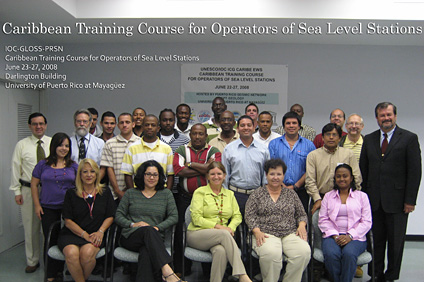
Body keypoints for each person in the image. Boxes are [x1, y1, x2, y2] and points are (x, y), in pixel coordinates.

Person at [360, 102, 421, 282]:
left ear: (395, 116)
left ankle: (391, 276)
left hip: (398, 202)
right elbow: (364, 170)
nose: (386, 118)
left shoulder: (409, 138)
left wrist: (410, 200)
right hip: (373, 201)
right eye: (382, 115)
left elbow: (415, 171)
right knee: (375, 242)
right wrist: (362, 199)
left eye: (389, 115)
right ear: (377, 118)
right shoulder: (369, 139)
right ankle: (375, 274)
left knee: (395, 243)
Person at [115, 160, 181, 282]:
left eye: (155, 175)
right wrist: (133, 224)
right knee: (147, 232)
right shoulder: (131, 193)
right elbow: (118, 215)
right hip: (131, 237)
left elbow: (174, 217)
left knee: (146, 251)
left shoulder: (166, 194)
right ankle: (168, 272)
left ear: (160, 176)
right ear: (142, 175)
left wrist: (157, 228)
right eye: (148, 174)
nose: (152, 177)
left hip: (154, 238)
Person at [245, 159, 310, 282]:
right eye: (272, 174)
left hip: (289, 233)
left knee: (303, 252)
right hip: (265, 233)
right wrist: (257, 231)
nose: (275, 177)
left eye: (279, 174)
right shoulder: (257, 194)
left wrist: (301, 226)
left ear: (283, 175)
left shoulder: (291, 194)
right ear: (266, 175)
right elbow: (249, 215)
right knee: (271, 254)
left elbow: (301, 214)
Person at [187, 161, 252, 282]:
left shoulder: (230, 194)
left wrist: (230, 228)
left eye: (219, 173)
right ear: (207, 176)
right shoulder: (200, 192)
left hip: (221, 237)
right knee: (224, 234)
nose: (216, 177)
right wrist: (220, 227)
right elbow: (196, 218)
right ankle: (242, 275)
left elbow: (237, 216)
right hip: (197, 234)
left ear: (224, 176)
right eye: (212, 174)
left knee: (220, 251)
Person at [173, 123, 221, 275]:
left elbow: (215, 170)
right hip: (185, 198)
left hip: (208, 199)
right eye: (194, 133)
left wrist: (191, 164)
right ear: (190, 135)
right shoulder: (182, 150)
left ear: (206, 136)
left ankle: (207, 270)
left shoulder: (213, 150)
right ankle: (182, 268)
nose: (198, 137)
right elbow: (179, 171)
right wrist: (204, 168)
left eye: (201, 134)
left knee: (208, 230)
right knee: (181, 231)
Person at [58, 158, 115, 282]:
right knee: (72, 253)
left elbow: (110, 216)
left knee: (87, 254)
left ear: (97, 174)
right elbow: (68, 221)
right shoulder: (71, 193)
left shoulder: (105, 192)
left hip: (96, 234)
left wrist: (101, 231)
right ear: (80, 175)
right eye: (85, 172)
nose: (89, 175)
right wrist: (84, 235)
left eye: (92, 171)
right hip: (73, 233)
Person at [31, 132, 79, 281]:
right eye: (60, 145)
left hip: (69, 209)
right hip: (48, 207)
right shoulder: (42, 164)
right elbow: (34, 184)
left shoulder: (73, 165)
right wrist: (37, 205)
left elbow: (80, 186)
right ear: (54, 146)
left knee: (66, 239)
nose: (63, 148)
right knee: (50, 239)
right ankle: (51, 274)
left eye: (66, 146)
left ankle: (64, 270)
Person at [9, 112, 51, 273]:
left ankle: (51, 261)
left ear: (46, 125)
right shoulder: (22, 144)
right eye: (35, 124)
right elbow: (15, 168)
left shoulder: (52, 142)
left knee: (48, 227)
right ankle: (32, 260)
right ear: (29, 126)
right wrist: (16, 191)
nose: (38, 127)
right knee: (30, 226)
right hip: (27, 190)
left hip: (49, 190)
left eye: (41, 123)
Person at [319, 164, 372, 282]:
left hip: (356, 237)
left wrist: (350, 236)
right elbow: (323, 219)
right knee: (331, 255)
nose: (342, 179)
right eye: (338, 176)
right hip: (332, 236)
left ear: (351, 178)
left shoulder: (362, 196)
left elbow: (367, 221)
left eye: (345, 176)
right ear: (335, 179)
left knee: (349, 254)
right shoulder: (328, 196)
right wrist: (335, 235)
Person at [306, 123, 362, 216]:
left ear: (340, 138)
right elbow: (310, 181)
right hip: (321, 198)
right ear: (322, 138)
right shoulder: (313, 156)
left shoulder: (348, 154)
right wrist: (317, 199)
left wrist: (353, 197)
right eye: (328, 134)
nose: (331, 137)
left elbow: (357, 177)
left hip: (345, 198)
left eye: (334, 135)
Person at [269, 111, 316, 213]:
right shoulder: (274, 144)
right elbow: (271, 167)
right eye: (288, 123)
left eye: (294, 123)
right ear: (284, 126)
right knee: (279, 220)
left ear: (299, 126)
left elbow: (311, 169)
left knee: (301, 220)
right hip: (278, 188)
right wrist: (282, 185)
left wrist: (296, 186)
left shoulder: (309, 145)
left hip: (301, 191)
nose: (291, 126)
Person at [222, 115, 270, 215]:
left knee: (255, 228)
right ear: (238, 128)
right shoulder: (229, 149)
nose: (246, 128)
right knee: (236, 227)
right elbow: (225, 175)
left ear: (254, 127)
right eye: (242, 125)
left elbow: (265, 176)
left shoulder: (263, 149)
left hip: (257, 195)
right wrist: (226, 196)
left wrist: (264, 195)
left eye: (249, 125)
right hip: (235, 195)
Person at [121, 114, 174, 190]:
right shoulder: (132, 148)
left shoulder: (167, 148)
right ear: (142, 127)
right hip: (138, 192)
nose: (150, 127)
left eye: (153, 125)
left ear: (158, 128)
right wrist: (133, 195)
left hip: (160, 192)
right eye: (147, 125)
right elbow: (127, 174)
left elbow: (170, 174)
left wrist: (167, 194)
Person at [100, 113, 141, 202]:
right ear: (118, 125)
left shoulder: (140, 142)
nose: (124, 125)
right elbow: (109, 168)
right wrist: (117, 191)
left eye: (127, 122)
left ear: (133, 124)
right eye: (121, 123)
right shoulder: (110, 143)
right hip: (115, 194)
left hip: (138, 192)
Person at [158, 108, 190, 197]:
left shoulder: (185, 140)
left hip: (179, 190)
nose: (168, 123)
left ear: (174, 121)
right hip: (157, 189)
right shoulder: (154, 140)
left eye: (171, 120)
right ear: (160, 122)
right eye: (164, 120)